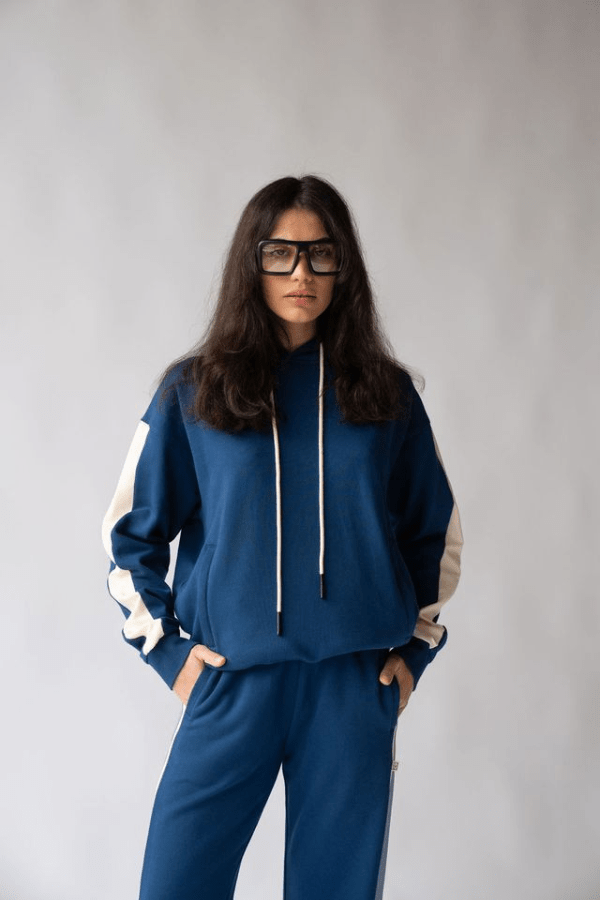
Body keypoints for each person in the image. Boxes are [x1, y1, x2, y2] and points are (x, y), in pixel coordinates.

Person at [101, 173, 463, 900]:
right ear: (253, 262)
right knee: (175, 884)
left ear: (343, 266)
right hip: (231, 680)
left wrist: (416, 649)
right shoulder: (193, 391)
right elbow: (129, 537)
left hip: (351, 687)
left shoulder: (385, 394)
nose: (302, 273)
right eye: (281, 254)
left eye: (321, 254)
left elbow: (437, 533)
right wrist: (170, 654)